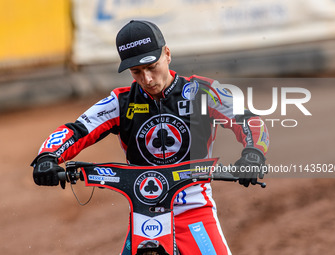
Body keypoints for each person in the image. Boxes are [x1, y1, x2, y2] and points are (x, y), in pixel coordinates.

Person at [31, 20, 269, 254]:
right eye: (136, 72)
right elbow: (78, 129)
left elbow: (249, 120)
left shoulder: (202, 92)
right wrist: (48, 155)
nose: (147, 79)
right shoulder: (120, 102)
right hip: (145, 216)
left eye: (152, 67)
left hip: (195, 211)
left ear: (167, 54)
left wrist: (253, 153)